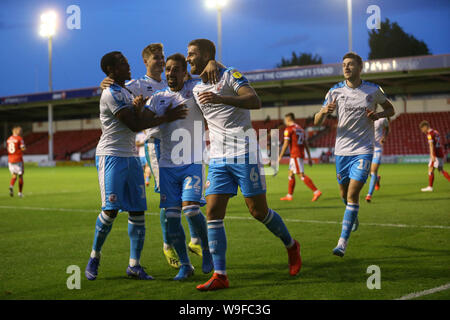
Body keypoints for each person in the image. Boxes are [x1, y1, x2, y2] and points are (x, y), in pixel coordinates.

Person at [187, 39, 302, 291]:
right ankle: (220, 275)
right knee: (213, 212)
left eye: (192, 54)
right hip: (217, 157)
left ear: (207, 54)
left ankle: (292, 245)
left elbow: (254, 100)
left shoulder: (230, 75)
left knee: (258, 212)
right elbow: (171, 79)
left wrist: (222, 98)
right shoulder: (194, 88)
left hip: (244, 153)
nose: (188, 59)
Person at [100, 43, 219, 269]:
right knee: (171, 206)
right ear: (145, 61)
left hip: (186, 150)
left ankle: (195, 241)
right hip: (157, 146)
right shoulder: (135, 85)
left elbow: (203, 77)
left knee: (188, 206)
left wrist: (212, 61)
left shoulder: (174, 82)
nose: (163, 62)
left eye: (164, 58)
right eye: (157, 58)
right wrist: (104, 82)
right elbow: (113, 92)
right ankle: (169, 246)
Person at [85, 51, 187, 281]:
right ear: (111, 70)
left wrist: (140, 108)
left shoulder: (127, 91)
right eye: (122, 63)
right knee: (110, 211)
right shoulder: (111, 93)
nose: (127, 64)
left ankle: (134, 265)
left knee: (138, 211)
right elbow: (134, 125)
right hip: (111, 155)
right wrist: (166, 117)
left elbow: (138, 117)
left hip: (131, 157)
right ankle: (95, 255)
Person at [314, 52, 395, 257]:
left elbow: (390, 109)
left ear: (360, 67)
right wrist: (324, 112)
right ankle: (353, 216)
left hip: (363, 151)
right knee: (344, 195)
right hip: (341, 151)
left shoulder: (373, 90)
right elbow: (316, 121)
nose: (346, 67)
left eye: (350, 64)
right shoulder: (335, 91)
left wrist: (378, 115)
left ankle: (342, 242)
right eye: (343, 65)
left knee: (352, 194)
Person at [146, 53, 213, 280]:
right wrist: (148, 111)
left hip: (192, 162)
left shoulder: (195, 89)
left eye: (176, 69)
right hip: (167, 166)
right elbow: (141, 122)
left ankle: (207, 250)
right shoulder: (158, 98)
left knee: (192, 209)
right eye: (168, 69)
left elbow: (213, 76)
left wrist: (212, 62)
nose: (170, 73)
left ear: (186, 72)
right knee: (172, 217)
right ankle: (185, 265)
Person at [278, 113, 322, 202]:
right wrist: (309, 157)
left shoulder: (289, 129)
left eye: (285, 120)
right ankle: (289, 195)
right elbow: (306, 144)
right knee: (290, 174)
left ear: (288, 120)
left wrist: (280, 157)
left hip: (295, 155)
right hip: (299, 154)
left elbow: (286, 144)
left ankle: (316, 191)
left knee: (301, 175)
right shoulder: (301, 129)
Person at [419, 120, 450, 191]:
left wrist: (432, 155)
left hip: (436, 154)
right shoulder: (436, 132)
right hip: (441, 153)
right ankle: (430, 187)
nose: (422, 131)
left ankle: (430, 187)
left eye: (422, 128)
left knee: (431, 169)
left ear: (425, 127)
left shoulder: (429, 134)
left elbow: (431, 145)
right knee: (440, 170)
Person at [365, 117, 389, 202]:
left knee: (373, 171)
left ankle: (369, 195)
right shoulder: (364, 120)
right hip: (367, 149)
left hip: (377, 149)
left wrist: (384, 137)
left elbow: (387, 128)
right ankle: (377, 179)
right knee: (367, 172)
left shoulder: (382, 120)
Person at [7, 126, 26, 198]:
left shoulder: (8, 139)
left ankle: (11, 186)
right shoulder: (19, 138)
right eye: (19, 131)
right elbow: (22, 148)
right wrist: (24, 148)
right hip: (18, 159)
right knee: (20, 175)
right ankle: (20, 193)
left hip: (10, 160)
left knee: (14, 174)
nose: (20, 132)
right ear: (15, 131)